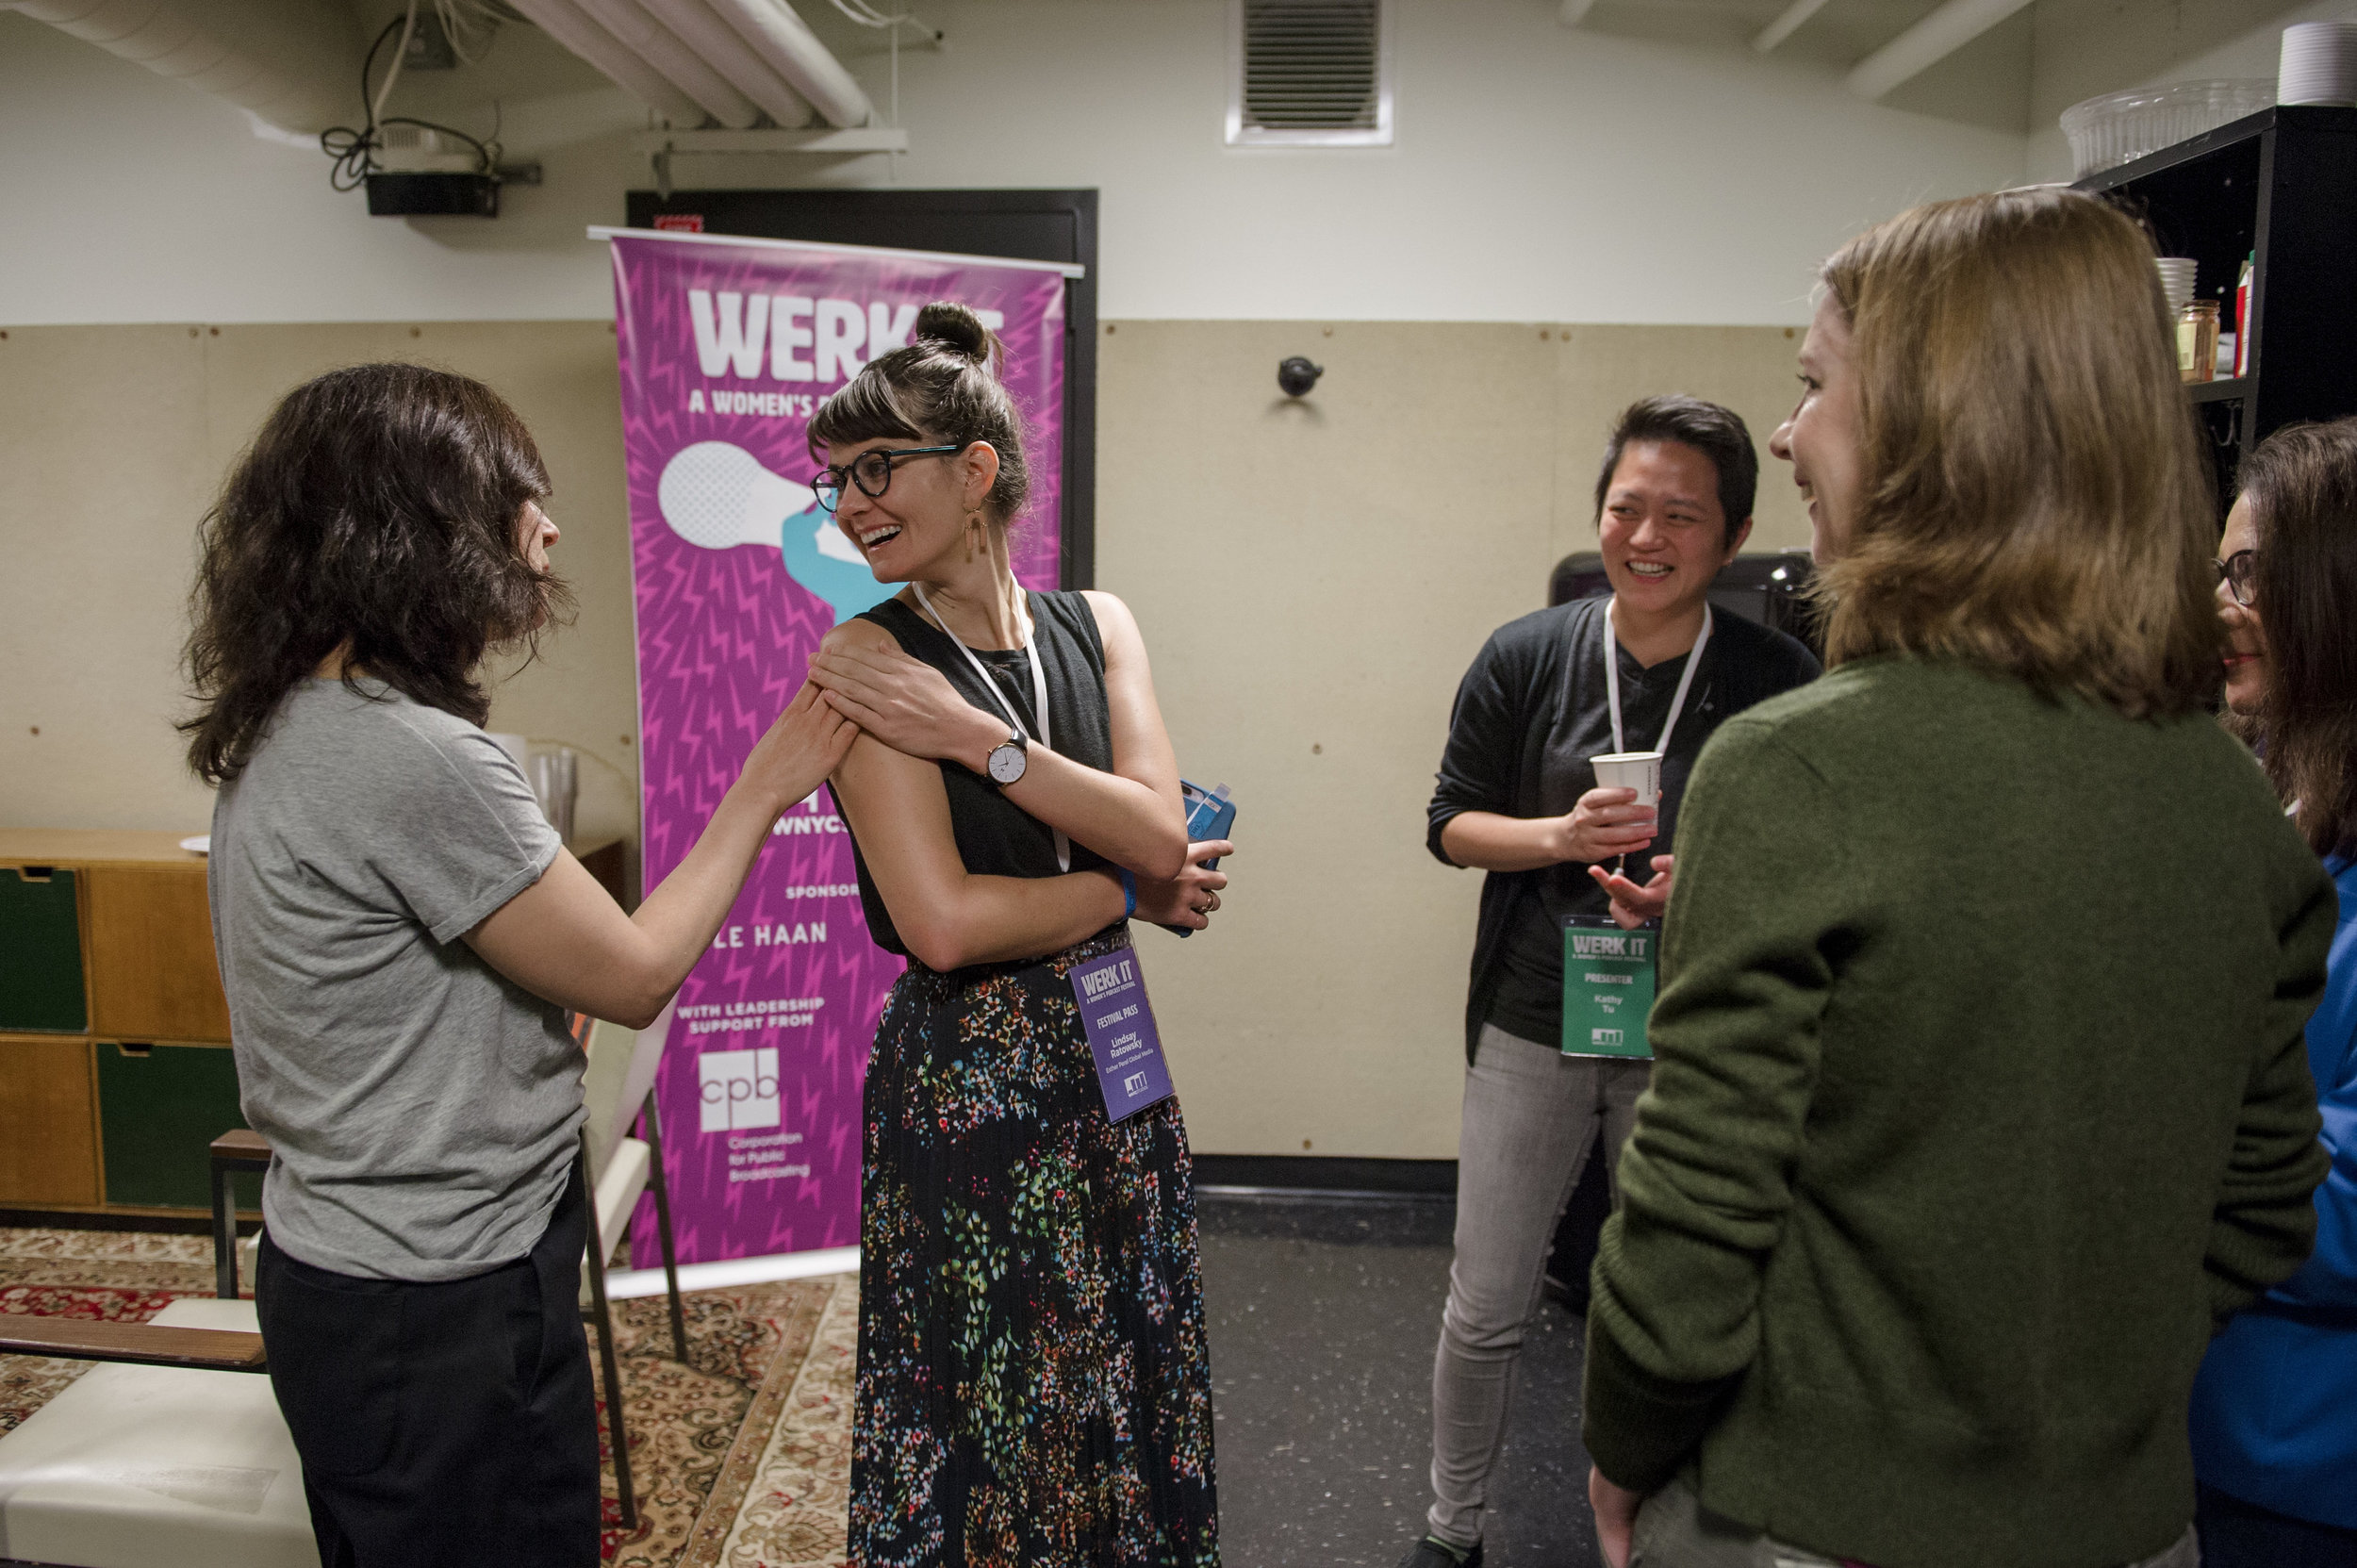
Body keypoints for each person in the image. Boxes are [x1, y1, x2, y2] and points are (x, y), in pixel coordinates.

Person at [1579, 188, 2335, 1568]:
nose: (1792, 436)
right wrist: (2079, 1395)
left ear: (1940, 426)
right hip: (2132, 1521)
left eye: (1814, 389)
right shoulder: (2228, 798)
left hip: (1817, 1521)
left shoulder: (1799, 767)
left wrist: (1627, 1440)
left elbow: (1693, 1223)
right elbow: (2265, 1201)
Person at [185, 364, 856, 1568]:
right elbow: (640, 974)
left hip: (358, 1273)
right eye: (517, 496)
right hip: (439, 1300)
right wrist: (767, 782)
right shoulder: (412, 756)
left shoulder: (298, 717)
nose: (548, 526)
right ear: (420, 526)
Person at [799, 303, 1228, 1568]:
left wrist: (977, 740)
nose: (851, 503)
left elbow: (1156, 819)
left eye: (879, 466)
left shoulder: (1101, 621)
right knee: (995, 1402)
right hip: (967, 1083)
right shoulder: (866, 660)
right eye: (837, 478)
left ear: (975, 469)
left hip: (1111, 1055)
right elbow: (944, 921)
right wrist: (1128, 888)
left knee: (1125, 1361)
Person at [1403, 396, 1821, 1568]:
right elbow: (1447, 827)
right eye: (1626, 508)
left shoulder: (1777, 674)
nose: (1646, 535)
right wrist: (1557, 838)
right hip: (1535, 1015)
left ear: (1732, 537)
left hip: (1694, 1029)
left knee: (1673, 1303)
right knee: (1486, 1301)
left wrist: (1709, 886)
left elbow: (1807, 860)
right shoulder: (1526, 652)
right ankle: (1451, 1526)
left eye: (1679, 515)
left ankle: (1663, 1525)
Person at [2185, 418, 2357, 1566]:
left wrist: (2153, 1119)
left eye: (2249, 573)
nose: (2218, 605)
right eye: (2217, 571)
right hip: (2196, 1436)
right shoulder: (2264, 808)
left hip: (2302, 1473)